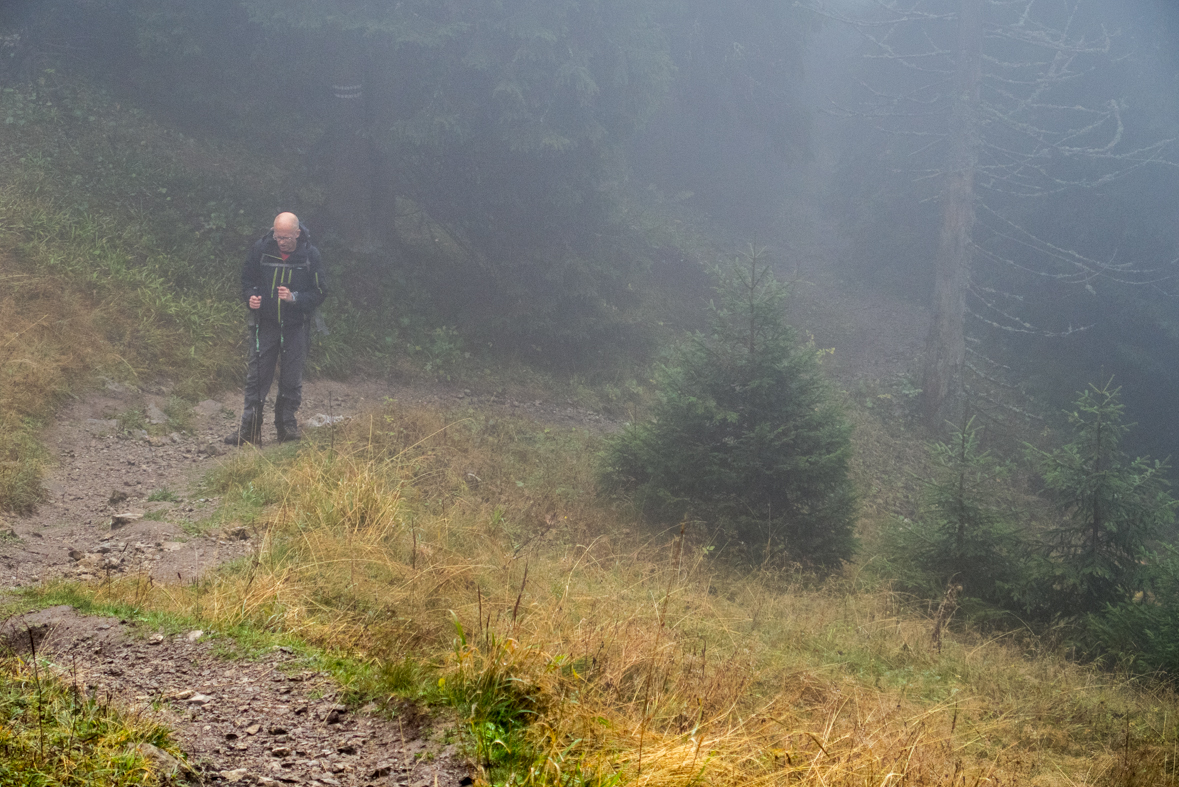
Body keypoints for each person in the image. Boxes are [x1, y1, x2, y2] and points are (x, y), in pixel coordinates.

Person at [225, 212, 327, 445]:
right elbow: (247, 280)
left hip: (296, 326)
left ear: (297, 233)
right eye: (278, 236)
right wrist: (251, 297)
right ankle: (249, 430)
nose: (281, 241)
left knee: (291, 379)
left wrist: (295, 297)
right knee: (257, 378)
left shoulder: (310, 255)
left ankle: (286, 428)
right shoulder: (261, 249)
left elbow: (321, 291)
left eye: (286, 238)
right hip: (265, 324)